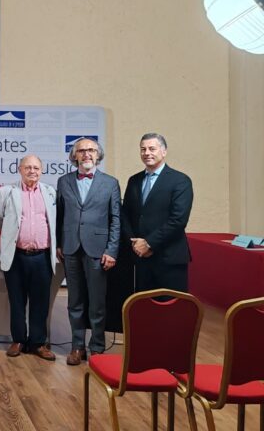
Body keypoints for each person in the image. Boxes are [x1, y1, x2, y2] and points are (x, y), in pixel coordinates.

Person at [56, 138, 120, 366]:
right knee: (75, 300)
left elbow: (116, 219)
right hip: (71, 248)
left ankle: (97, 348)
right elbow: (60, 216)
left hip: (98, 250)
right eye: (81, 150)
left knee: (97, 302)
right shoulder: (63, 181)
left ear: (98, 155)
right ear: (74, 156)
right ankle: (77, 347)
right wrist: (59, 243)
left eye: (91, 150)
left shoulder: (110, 183)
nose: (86, 154)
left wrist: (112, 250)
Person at [0, 154, 58, 361]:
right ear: (19, 169)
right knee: (17, 300)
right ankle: (19, 340)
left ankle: (38, 342)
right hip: (16, 255)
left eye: (36, 168)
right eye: (28, 167)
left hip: (42, 257)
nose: (32, 171)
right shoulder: (6, 192)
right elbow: (0, 219)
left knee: (40, 302)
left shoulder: (51, 193)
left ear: (42, 171)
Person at [122, 133, 193, 292]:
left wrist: (148, 243)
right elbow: (125, 215)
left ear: (164, 151)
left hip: (169, 258)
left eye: (152, 149)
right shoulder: (134, 180)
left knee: (171, 305)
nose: (147, 153)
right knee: (142, 303)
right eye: (143, 149)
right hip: (140, 257)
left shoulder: (180, 180)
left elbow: (178, 219)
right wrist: (135, 244)